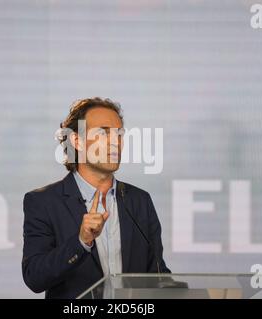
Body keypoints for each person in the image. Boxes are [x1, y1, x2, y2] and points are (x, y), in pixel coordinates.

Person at [22, 97, 170, 299]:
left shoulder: (139, 201)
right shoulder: (44, 202)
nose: (115, 142)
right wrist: (81, 241)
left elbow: (157, 276)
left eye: (119, 134)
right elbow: (34, 277)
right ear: (77, 141)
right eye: (103, 132)